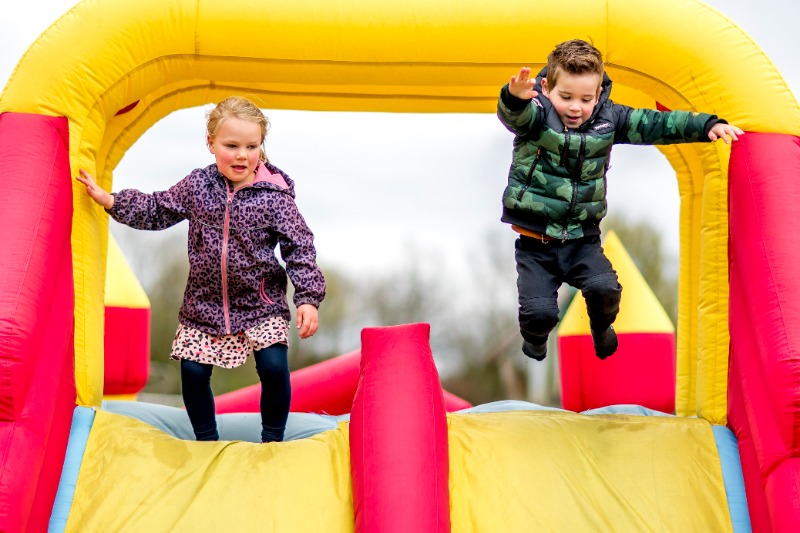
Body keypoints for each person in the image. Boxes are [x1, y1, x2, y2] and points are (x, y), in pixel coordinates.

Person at [76, 96, 326, 443]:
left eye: (252, 146)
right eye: (231, 146)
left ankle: (273, 439)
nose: (242, 155)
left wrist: (308, 298)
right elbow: (158, 209)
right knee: (192, 371)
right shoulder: (198, 187)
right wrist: (113, 201)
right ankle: (205, 440)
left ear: (261, 146)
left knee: (273, 366)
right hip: (203, 305)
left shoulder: (275, 196)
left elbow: (299, 246)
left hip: (260, 303)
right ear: (211, 144)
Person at [497, 39, 742, 362]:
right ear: (546, 87)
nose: (575, 107)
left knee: (605, 289)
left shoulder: (609, 119)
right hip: (536, 243)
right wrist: (513, 97)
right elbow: (514, 116)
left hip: (582, 240)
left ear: (598, 93)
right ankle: (535, 337)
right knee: (539, 314)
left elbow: (656, 124)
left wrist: (706, 125)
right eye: (565, 97)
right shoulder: (536, 116)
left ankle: (601, 327)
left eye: (586, 99)